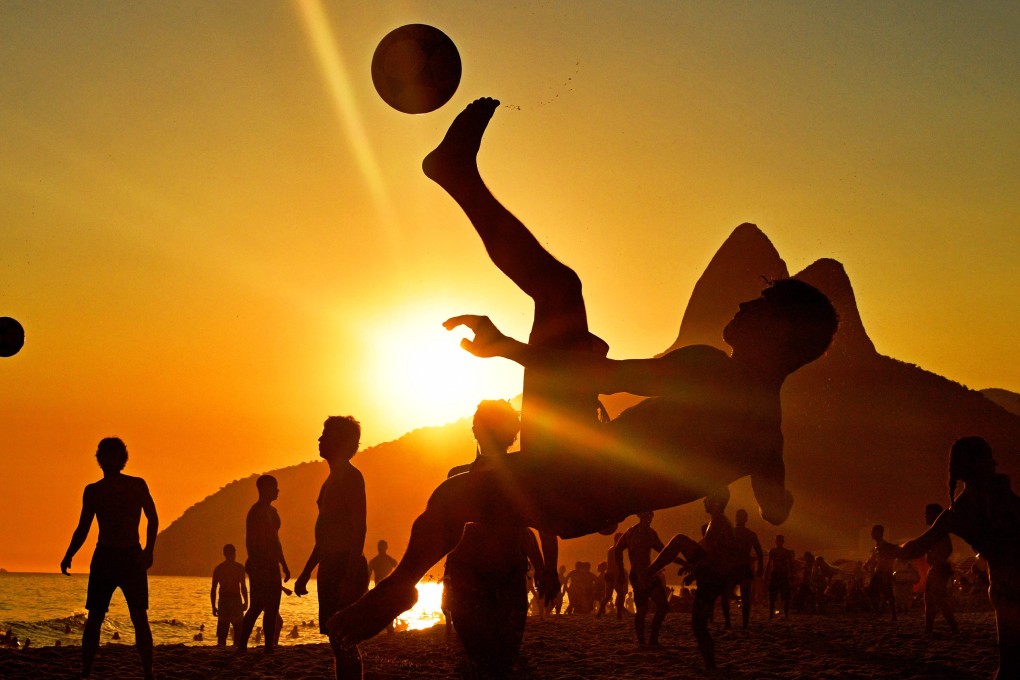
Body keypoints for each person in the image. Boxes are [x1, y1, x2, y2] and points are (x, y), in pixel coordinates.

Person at [329, 97, 838, 646]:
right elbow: (778, 509)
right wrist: (759, 478)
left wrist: (509, 348)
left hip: (574, 469)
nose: (741, 309)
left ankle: (457, 178)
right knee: (462, 498)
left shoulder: (711, 372)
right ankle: (403, 586)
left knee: (559, 291)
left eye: (757, 309)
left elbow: (597, 377)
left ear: (780, 336)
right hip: (587, 499)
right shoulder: (768, 429)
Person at [885, 437, 1019, 678]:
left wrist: (890, 548)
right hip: (1006, 581)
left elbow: (916, 547)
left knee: (1009, 651)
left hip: (1004, 583)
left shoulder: (957, 513)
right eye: (989, 459)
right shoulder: (1002, 495)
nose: (995, 463)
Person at [442, 400, 547, 672]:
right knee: (479, 659)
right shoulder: (457, 477)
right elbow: (446, 532)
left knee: (499, 659)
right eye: (483, 425)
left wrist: (547, 569)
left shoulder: (523, 477)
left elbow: (533, 526)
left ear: (512, 433)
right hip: (466, 578)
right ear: (475, 430)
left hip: (506, 578)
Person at [61, 437, 157, 680]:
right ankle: (86, 672)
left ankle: (148, 672)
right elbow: (83, 527)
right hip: (104, 556)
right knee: (94, 617)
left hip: (132, 557)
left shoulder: (137, 485)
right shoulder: (93, 491)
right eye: (105, 455)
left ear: (122, 459)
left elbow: (152, 518)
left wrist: (148, 551)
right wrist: (69, 554)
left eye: (114, 455)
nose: (109, 460)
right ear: (99, 459)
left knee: (139, 616)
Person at [294, 417, 370, 647]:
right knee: (336, 642)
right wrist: (307, 571)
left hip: (344, 566)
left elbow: (359, 528)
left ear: (342, 441)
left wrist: (349, 575)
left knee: (345, 641)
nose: (320, 439)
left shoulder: (350, 477)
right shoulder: (330, 479)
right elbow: (326, 535)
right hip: (330, 565)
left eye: (326, 435)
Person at [646, 488, 737, 669]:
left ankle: (649, 571)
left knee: (679, 540)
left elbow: (713, 556)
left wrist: (693, 567)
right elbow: (713, 554)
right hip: (712, 577)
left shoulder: (719, 522)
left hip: (713, 577)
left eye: (707, 499)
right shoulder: (718, 522)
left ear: (717, 502)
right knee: (698, 625)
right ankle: (710, 665)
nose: (704, 502)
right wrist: (695, 571)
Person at [238, 475, 290, 652]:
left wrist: (284, 564)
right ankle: (242, 645)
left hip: (272, 564)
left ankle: (268, 646)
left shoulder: (273, 512)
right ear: (264, 489)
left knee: (273, 607)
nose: (277, 490)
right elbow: (250, 541)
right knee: (257, 606)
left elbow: (276, 540)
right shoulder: (255, 512)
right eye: (274, 487)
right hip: (259, 564)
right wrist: (256, 564)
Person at [615, 512, 671, 646]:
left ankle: (651, 639)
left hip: (647, 574)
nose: (650, 519)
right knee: (643, 609)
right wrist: (620, 571)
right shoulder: (632, 533)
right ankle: (643, 640)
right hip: (640, 575)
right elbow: (617, 549)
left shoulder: (649, 533)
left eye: (651, 516)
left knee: (661, 607)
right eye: (647, 516)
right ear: (641, 516)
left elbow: (664, 551)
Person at [918, 503, 960, 635]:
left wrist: (937, 561)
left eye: (928, 513)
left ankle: (930, 630)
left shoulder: (938, 531)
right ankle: (947, 629)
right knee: (936, 599)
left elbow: (948, 549)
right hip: (938, 568)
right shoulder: (937, 531)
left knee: (933, 598)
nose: (925, 516)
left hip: (939, 568)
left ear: (936, 515)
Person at [211, 544, 248, 647]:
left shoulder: (219, 569)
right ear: (234, 553)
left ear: (224, 554)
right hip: (234, 600)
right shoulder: (239, 568)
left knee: (223, 632)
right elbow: (243, 587)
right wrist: (246, 601)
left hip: (224, 600)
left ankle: (223, 648)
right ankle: (236, 648)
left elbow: (213, 589)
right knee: (238, 630)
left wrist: (213, 606)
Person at [732, 508, 764, 628]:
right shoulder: (748, 534)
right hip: (740, 567)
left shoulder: (735, 532)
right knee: (743, 597)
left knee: (742, 596)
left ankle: (741, 623)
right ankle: (741, 623)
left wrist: (760, 567)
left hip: (738, 568)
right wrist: (760, 567)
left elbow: (759, 552)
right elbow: (759, 552)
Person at [865, 525, 897, 621]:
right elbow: (873, 559)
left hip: (883, 572)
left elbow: (888, 559)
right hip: (879, 572)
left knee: (886, 594)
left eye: (874, 532)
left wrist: (886, 573)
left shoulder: (885, 546)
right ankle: (882, 612)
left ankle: (884, 613)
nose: (872, 534)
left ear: (879, 533)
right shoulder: (877, 546)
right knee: (878, 592)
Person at [598, 532, 628, 619]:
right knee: (621, 594)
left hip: (610, 574)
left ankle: (599, 613)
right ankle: (618, 614)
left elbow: (611, 564)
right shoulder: (617, 549)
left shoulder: (611, 549)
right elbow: (618, 563)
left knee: (608, 596)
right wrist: (621, 574)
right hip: (614, 575)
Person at [764, 535, 794, 619]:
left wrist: (791, 574)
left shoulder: (784, 552)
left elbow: (790, 564)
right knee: (774, 595)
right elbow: (769, 563)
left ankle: (783, 615)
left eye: (779, 540)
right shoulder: (776, 551)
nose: (779, 542)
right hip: (777, 574)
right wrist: (766, 574)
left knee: (783, 596)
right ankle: (774, 614)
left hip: (781, 574)